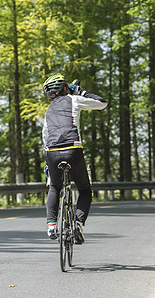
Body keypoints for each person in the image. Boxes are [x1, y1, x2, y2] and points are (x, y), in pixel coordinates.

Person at [42, 74, 107, 244]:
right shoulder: (74, 99)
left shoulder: (48, 112)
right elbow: (102, 103)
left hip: (52, 152)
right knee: (85, 190)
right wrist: (80, 91)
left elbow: (45, 137)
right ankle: (78, 223)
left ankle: (51, 225)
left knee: (55, 187)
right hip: (73, 150)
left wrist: (47, 163)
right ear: (66, 88)